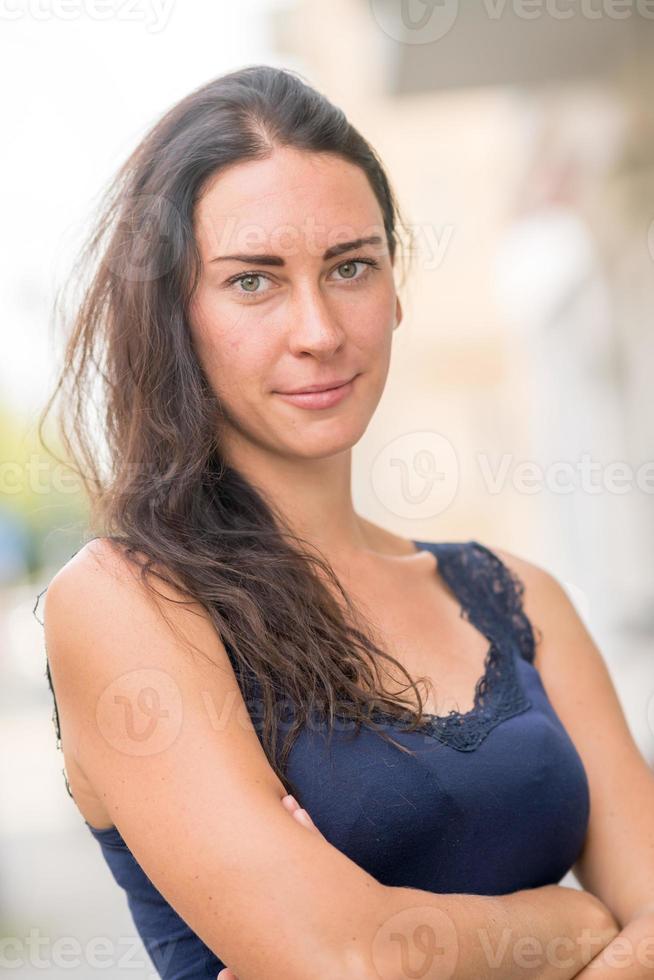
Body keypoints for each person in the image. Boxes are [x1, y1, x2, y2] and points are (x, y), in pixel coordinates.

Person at [35, 65, 652, 980]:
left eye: (350, 266)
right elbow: (352, 962)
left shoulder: (517, 597)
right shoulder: (126, 603)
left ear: (395, 289)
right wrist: (565, 923)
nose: (320, 329)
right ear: (173, 312)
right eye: (254, 282)